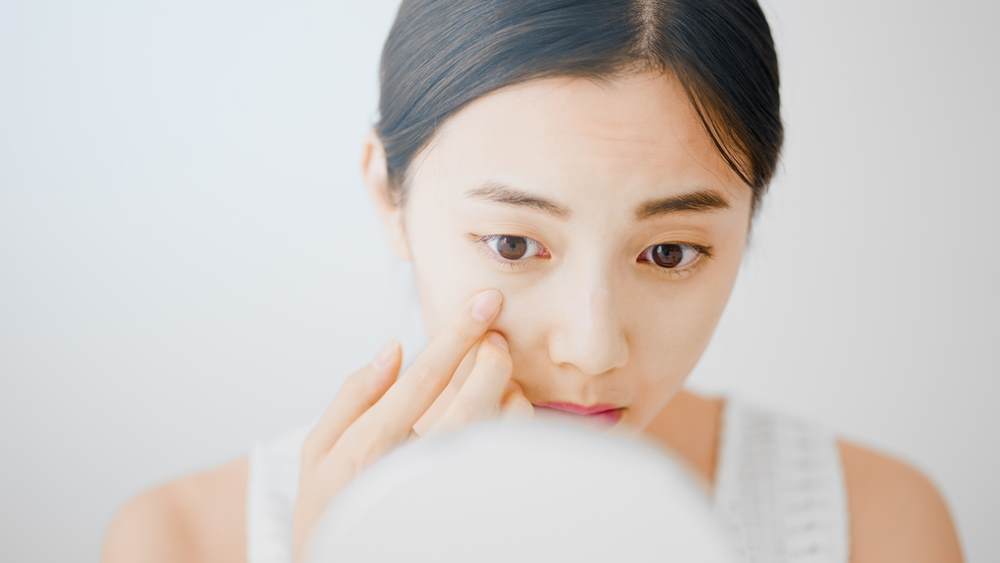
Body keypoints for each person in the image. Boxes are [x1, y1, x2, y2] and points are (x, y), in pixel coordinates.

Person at [101, 1, 964, 562]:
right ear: (387, 196)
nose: (593, 346)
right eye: (514, 242)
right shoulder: (182, 541)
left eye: (669, 253)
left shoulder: (874, 527)